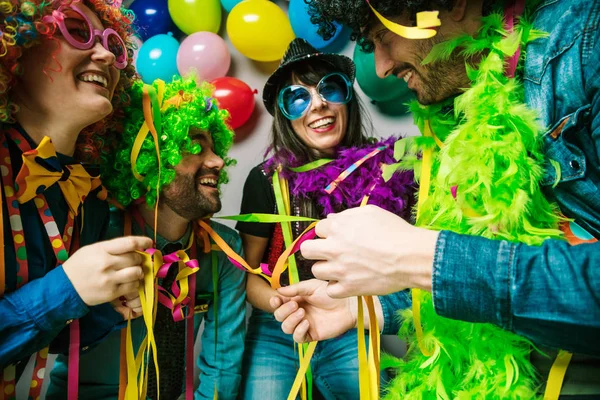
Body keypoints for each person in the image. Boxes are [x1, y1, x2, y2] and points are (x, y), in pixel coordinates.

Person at [272, 0, 600, 398]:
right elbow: (482, 260)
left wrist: (421, 257)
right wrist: (367, 309)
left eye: (381, 38)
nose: (380, 68)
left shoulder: (585, 44)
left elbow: (457, 264)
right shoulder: (454, 111)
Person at [47, 75, 247, 400]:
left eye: (214, 148)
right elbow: (46, 331)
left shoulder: (224, 251)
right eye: (195, 146)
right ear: (152, 159)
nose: (217, 161)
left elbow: (222, 365)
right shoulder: (93, 233)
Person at [236, 38, 415, 399]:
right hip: (279, 326)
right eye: (297, 98)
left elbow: (406, 268)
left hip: (352, 319)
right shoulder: (265, 178)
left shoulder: (387, 169)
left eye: (328, 87)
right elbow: (247, 273)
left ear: (346, 97)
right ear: (285, 116)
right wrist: (287, 306)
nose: (317, 104)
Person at [0, 1, 151, 397]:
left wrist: (110, 304)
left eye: (113, 44)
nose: (105, 55)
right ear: (16, 45)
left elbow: (43, 340)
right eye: (77, 31)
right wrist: (66, 290)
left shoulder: (89, 195)